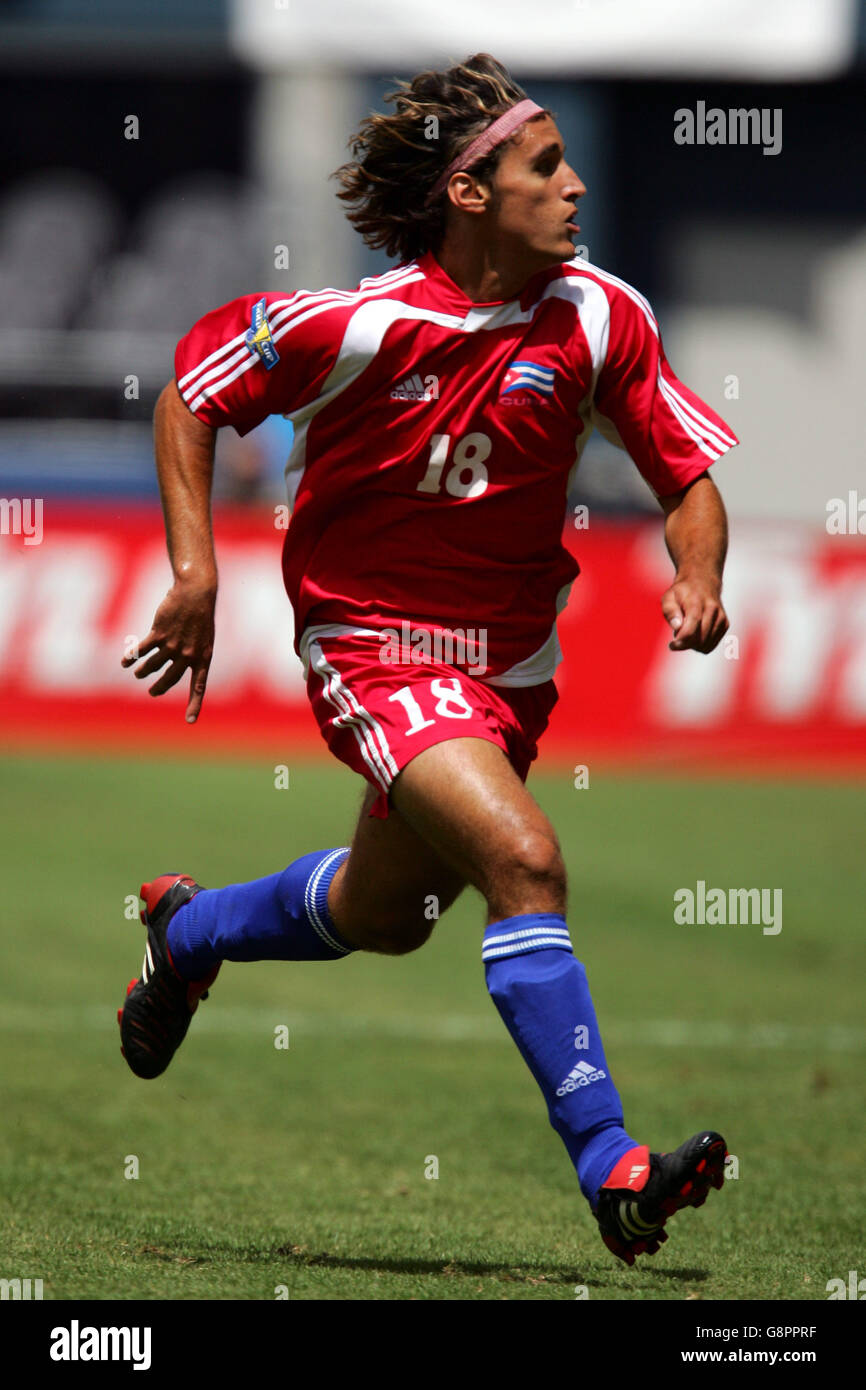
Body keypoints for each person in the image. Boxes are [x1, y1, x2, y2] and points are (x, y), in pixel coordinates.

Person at [118, 54, 736, 1266]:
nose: (570, 187)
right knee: (523, 857)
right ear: (466, 193)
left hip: (508, 665)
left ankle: (187, 935)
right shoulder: (351, 325)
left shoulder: (601, 314)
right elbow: (190, 391)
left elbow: (686, 477)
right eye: (541, 165)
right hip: (373, 642)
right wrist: (197, 571)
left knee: (382, 915)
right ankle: (610, 1163)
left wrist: (698, 571)